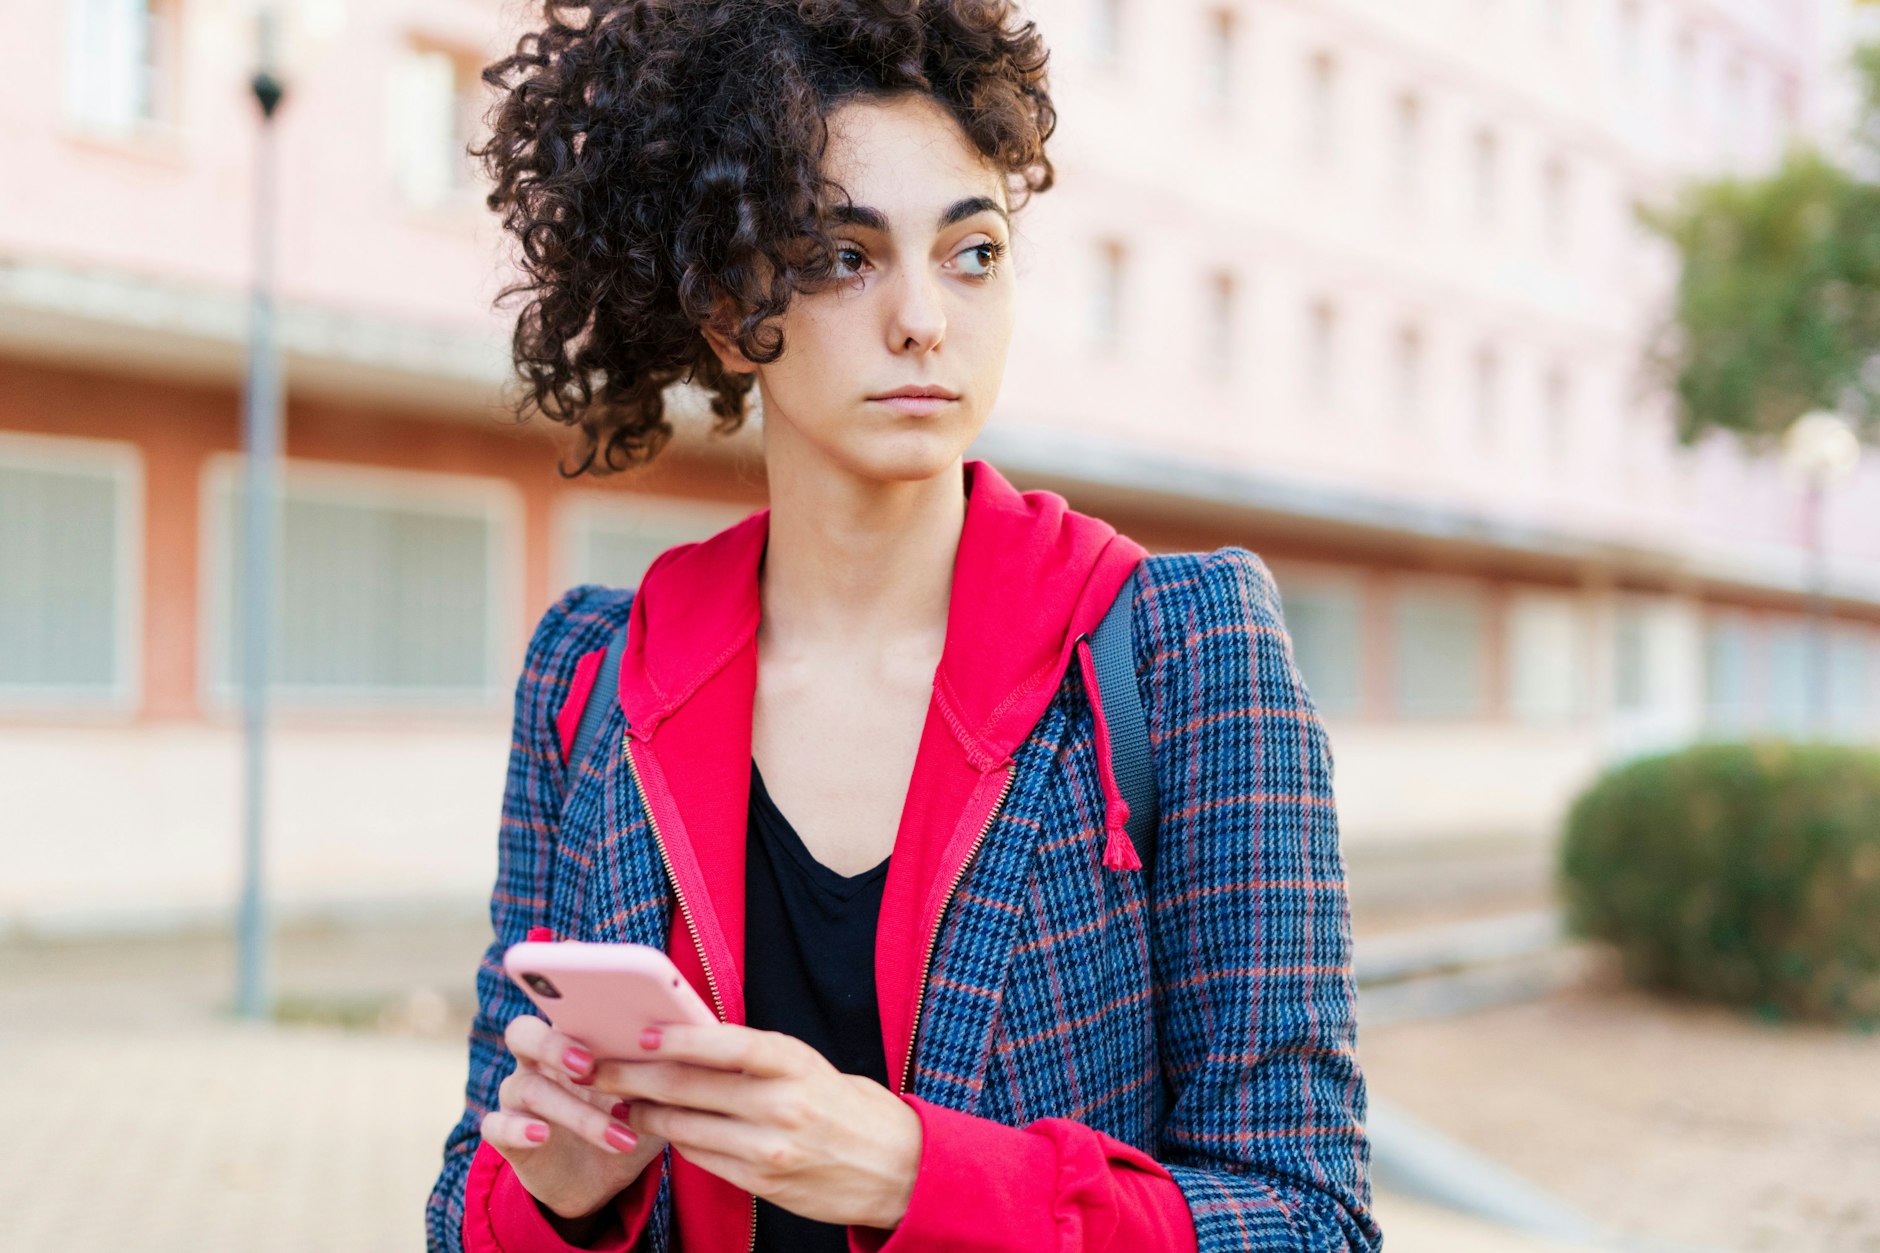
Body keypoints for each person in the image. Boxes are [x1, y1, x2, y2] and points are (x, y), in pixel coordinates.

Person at [427, 2, 1383, 1250]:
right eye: (841, 254)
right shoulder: (594, 674)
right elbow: (466, 1208)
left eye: (971, 251)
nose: (925, 318)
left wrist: (910, 1171)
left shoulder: (1178, 649)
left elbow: (1310, 1217)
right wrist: (561, 1192)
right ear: (726, 309)